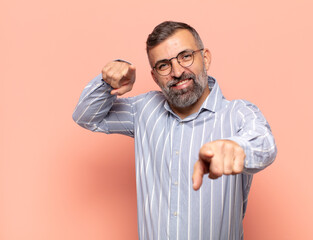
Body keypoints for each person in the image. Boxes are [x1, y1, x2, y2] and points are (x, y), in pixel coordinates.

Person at [73, 21, 277, 240]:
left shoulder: (238, 113)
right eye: (163, 65)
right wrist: (108, 81)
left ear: (205, 58)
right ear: (154, 76)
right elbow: (87, 117)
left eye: (186, 56)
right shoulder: (143, 110)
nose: (177, 72)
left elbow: (265, 144)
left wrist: (237, 148)